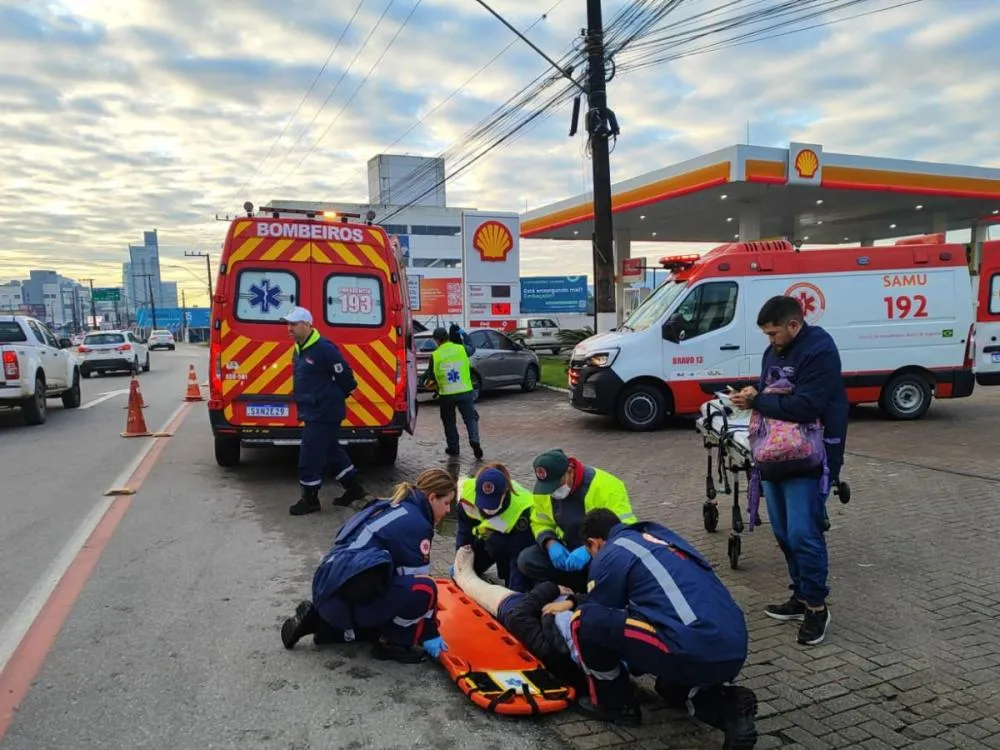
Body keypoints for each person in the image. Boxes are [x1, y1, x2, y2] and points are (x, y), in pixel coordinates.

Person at [566, 509, 757, 749]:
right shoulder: (657, 535)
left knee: (585, 621)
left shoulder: (611, 554)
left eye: (590, 552)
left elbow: (603, 614)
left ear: (594, 543)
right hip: (732, 646)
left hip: (691, 647)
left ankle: (616, 704)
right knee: (667, 687)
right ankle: (727, 708)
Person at [729, 295, 848, 647]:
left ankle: (816, 606)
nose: (771, 340)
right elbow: (772, 390)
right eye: (766, 335)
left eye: (773, 333)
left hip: (810, 456)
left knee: (803, 533)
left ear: (794, 326)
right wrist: (753, 392)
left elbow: (805, 405)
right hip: (774, 454)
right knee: (782, 531)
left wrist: (758, 400)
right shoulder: (774, 352)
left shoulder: (820, 350)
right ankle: (799, 595)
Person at [280, 468, 456, 663]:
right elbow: (422, 587)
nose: (448, 510)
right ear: (432, 498)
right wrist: (430, 633)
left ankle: (325, 626)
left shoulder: (392, 504)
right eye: (446, 503)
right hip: (346, 591)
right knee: (425, 588)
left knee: (389, 602)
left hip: (330, 586)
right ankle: (393, 644)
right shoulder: (417, 524)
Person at [451, 545, 584, 690]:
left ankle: (464, 577)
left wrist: (553, 589)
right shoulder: (599, 634)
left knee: (473, 584)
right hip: (560, 604)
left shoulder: (559, 655)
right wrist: (573, 601)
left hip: (524, 611)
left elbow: (519, 618)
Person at [282, 306, 369, 516]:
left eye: (294, 324)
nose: (289, 328)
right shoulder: (299, 348)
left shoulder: (324, 348)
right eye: (288, 324)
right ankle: (355, 490)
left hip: (324, 412)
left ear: (307, 325)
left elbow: (346, 377)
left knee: (310, 453)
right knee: (331, 451)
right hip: (313, 409)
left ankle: (310, 498)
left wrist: (335, 396)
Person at [518, 449, 637, 592]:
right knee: (527, 559)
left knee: (614, 569)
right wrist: (550, 542)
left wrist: (589, 550)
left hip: (597, 551)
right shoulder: (544, 491)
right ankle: (567, 589)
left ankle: (589, 591)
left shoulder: (607, 486)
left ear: (570, 470)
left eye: (557, 484)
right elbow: (540, 522)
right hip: (567, 549)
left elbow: (624, 528)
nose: (553, 491)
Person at [454, 463, 536, 593]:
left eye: (492, 503)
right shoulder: (467, 495)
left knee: (498, 546)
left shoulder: (522, 509)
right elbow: (464, 533)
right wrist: (459, 562)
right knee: (468, 567)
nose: (487, 509)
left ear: (505, 494)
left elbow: (517, 554)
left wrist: (515, 594)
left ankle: (509, 579)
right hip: (486, 536)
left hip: (513, 542)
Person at [422, 326, 483, 460]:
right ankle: (474, 439)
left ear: (436, 340)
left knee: (449, 422)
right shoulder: (461, 349)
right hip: (465, 392)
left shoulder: (435, 355)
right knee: (470, 419)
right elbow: (472, 347)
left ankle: (454, 448)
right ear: (447, 337)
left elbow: (431, 376)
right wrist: (464, 335)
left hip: (446, 394)